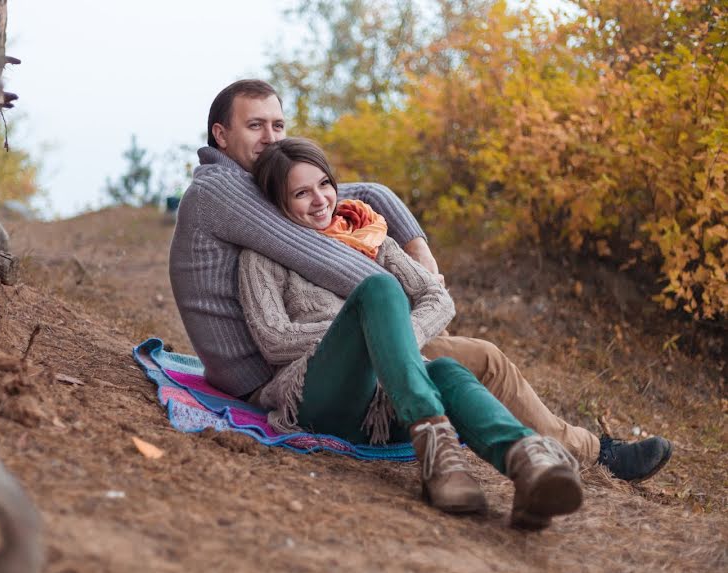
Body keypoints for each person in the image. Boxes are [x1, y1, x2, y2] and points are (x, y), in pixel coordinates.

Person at [168, 79, 672, 483]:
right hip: (265, 375)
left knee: (485, 358)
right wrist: (393, 309)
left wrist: (416, 252)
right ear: (220, 135)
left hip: (320, 350)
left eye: (278, 124)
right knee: (408, 315)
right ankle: (587, 453)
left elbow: (352, 193)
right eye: (255, 126)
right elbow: (320, 254)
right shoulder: (223, 191)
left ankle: (582, 452)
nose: (271, 138)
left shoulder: (259, 185)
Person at [237, 137, 585, 528]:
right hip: (319, 398)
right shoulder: (263, 256)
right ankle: (437, 445)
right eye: (301, 193)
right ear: (278, 203)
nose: (320, 200)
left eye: (324, 184)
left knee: (448, 372)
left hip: (386, 409)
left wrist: (394, 342)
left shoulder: (372, 239)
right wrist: (365, 333)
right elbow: (273, 338)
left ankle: (527, 465)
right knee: (380, 289)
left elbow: (439, 297)